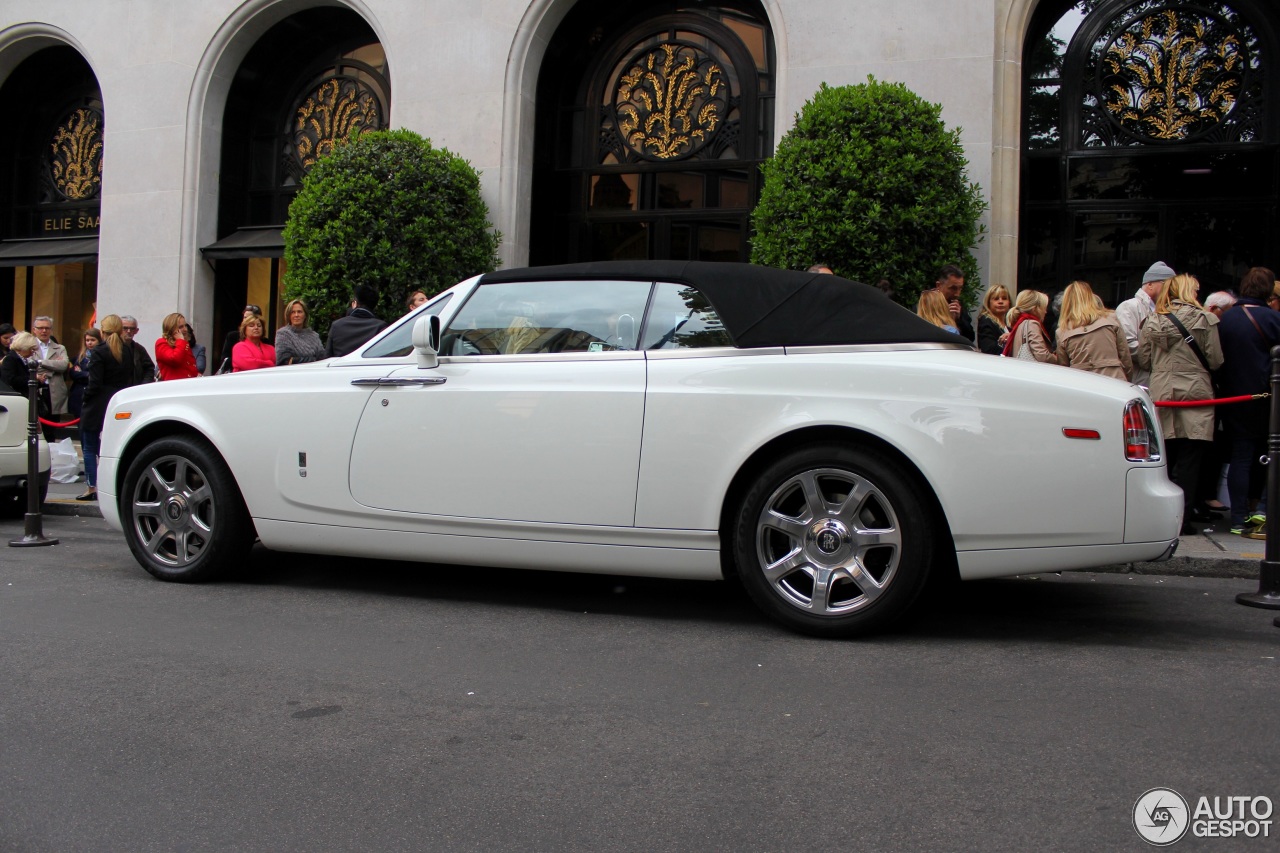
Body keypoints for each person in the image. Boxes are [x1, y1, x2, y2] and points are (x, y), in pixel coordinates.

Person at [1136, 273, 1223, 535]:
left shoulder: (1152, 320)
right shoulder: (1205, 319)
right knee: (1191, 457)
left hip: (1162, 390)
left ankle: (1161, 518)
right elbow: (1216, 359)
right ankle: (1182, 520)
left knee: (1165, 455)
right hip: (1195, 391)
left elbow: (1144, 359)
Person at [1215, 267, 1280, 535]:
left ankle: (1239, 518)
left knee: (1241, 456)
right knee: (1273, 455)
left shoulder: (1225, 320)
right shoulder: (1273, 319)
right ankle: (1263, 510)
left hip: (1233, 397)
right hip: (1269, 399)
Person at [79, 315, 137, 502]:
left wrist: (85, 396)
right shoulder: (126, 350)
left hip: (97, 402)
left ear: (102, 332)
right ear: (120, 330)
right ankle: (108, 487)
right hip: (117, 401)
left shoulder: (99, 352)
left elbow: (94, 382)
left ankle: (92, 486)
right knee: (110, 447)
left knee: (89, 446)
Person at [1054, 280, 1132, 380]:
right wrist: (1127, 379)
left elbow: (1063, 367)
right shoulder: (1111, 319)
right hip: (1114, 379)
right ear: (1091, 297)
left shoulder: (1062, 331)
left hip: (1083, 384)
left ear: (1066, 303)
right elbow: (1125, 356)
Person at [1116, 261, 1175, 386]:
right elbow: (1127, 344)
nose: (1171, 290)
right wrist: (1161, 358)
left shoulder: (1168, 310)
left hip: (1160, 380)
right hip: (1140, 381)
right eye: (1167, 284)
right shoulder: (1129, 307)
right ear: (1150, 284)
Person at [325, 284, 387, 357]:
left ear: (354, 304)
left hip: (341, 367)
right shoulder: (380, 326)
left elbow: (327, 356)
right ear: (375, 306)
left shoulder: (337, 325)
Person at [31, 315, 70, 425]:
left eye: (47, 328)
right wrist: (54, 366)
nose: (44, 331)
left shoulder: (59, 348)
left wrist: (40, 362)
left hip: (54, 392)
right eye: (41, 328)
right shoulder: (29, 346)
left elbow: (63, 366)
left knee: (52, 428)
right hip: (36, 390)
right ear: (34, 330)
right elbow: (29, 365)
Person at [1001, 289, 1057, 363]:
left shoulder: (1020, 323)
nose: (1045, 312)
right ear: (1035, 309)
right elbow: (1042, 356)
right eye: (1044, 308)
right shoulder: (1031, 324)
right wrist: (1058, 359)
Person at [275, 299, 326, 365]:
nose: (296, 315)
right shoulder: (283, 334)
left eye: (299, 312)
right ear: (289, 316)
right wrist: (313, 359)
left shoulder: (314, 336)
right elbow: (284, 360)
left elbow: (322, 359)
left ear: (305, 315)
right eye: (293, 312)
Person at [933, 264, 974, 342]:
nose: (957, 294)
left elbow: (970, 338)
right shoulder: (925, 305)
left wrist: (959, 319)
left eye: (960, 288)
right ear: (939, 285)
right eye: (953, 288)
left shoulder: (959, 307)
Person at [220, 304, 265, 373]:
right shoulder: (233, 336)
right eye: (244, 317)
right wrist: (242, 361)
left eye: (249, 318)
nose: (245, 320)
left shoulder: (265, 342)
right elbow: (225, 360)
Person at [67, 328, 101, 418]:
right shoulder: (81, 357)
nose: (89, 343)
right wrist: (87, 374)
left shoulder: (101, 356)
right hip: (78, 396)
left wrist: (82, 373)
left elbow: (96, 375)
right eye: (87, 340)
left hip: (94, 396)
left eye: (93, 340)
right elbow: (73, 373)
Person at [154, 313, 199, 380]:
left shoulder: (184, 344)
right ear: (172, 328)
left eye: (185, 326)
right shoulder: (161, 343)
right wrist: (180, 341)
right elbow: (174, 359)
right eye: (181, 327)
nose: (185, 329)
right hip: (174, 386)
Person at [120, 315, 156, 385]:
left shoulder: (139, 349)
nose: (128, 331)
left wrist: (144, 385)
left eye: (132, 329)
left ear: (136, 331)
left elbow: (149, 369)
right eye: (125, 328)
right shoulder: (111, 348)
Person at [1, 331, 39, 397]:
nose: (33, 352)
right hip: (16, 397)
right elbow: (11, 380)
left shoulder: (24, 359)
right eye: (31, 349)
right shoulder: (10, 359)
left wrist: (39, 380)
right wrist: (33, 378)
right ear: (24, 347)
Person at [977, 285, 1012, 355]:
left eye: (1004, 298)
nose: (1000, 302)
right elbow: (988, 349)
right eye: (996, 299)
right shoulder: (986, 321)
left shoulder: (1010, 323)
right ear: (988, 302)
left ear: (1009, 302)